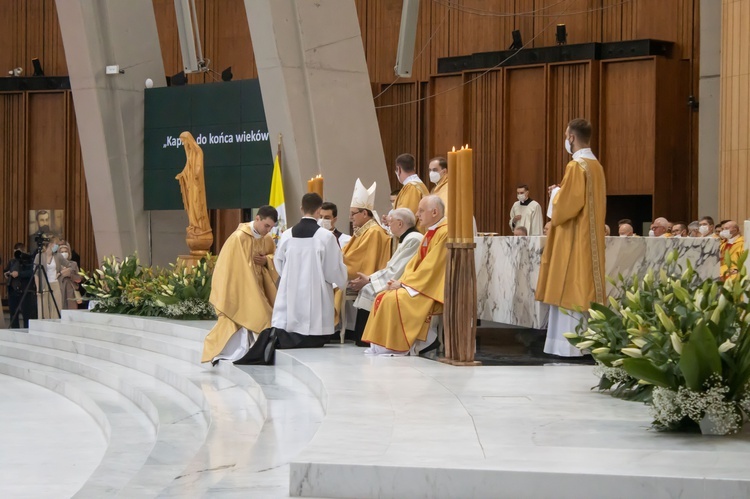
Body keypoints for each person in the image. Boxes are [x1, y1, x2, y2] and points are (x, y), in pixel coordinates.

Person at [537, 118, 606, 357]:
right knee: (582, 285)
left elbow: (567, 207)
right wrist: (562, 191)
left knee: (569, 286)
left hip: (573, 237)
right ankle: (585, 345)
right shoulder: (595, 165)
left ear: (572, 138)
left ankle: (567, 347)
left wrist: (556, 193)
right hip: (589, 237)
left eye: (566, 136)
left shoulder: (576, 166)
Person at [361, 195, 447, 356]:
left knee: (393, 299)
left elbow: (432, 267)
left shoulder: (444, 232)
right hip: (421, 284)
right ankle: (382, 344)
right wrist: (401, 281)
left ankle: (401, 344)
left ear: (434, 212)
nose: (417, 214)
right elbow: (414, 264)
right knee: (384, 296)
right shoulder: (431, 233)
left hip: (431, 288)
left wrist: (403, 285)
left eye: (421, 210)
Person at [202, 206, 279, 364]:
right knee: (261, 317)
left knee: (268, 316)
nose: (268, 230)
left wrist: (267, 260)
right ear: (257, 219)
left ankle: (254, 351)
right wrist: (250, 290)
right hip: (241, 289)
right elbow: (229, 268)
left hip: (260, 288)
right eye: (266, 226)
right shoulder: (238, 238)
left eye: (271, 227)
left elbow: (275, 257)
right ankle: (242, 352)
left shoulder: (267, 239)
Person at [272, 193, 347, 348]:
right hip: (316, 293)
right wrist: (342, 281)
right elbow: (333, 269)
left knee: (291, 322)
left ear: (301, 208)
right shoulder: (325, 237)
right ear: (319, 210)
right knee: (314, 328)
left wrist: (290, 276)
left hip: (290, 290)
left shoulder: (287, 235)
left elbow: (278, 263)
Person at [349, 208, 422, 341]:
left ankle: (369, 338)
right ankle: (365, 336)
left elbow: (397, 270)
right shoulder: (406, 239)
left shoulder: (414, 240)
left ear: (400, 223)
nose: (388, 225)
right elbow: (392, 267)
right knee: (367, 289)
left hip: (406, 283)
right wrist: (370, 279)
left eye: (390, 222)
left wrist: (370, 280)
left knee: (369, 290)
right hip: (398, 279)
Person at [341, 179, 391, 342]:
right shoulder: (363, 230)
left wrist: (338, 262)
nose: (350, 217)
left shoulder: (373, 231)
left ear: (364, 213)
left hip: (372, 278)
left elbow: (362, 261)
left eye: (353, 213)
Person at [34, 236, 76, 319]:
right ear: (51, 244)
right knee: (43, 307)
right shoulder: (39, 256)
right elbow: (36, 273)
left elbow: (70, 265)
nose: (57, 246)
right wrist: (38, 288)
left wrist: (61, 272)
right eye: (56, 244)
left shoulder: (58, 256)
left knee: (56, 306)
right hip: (44, 284)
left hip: (55, 284)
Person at [393, 153, 429, 232]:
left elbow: (405, 218)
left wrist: (391, 220)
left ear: (398, 169)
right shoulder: (416, 185)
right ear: (414, 168)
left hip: (414, 236)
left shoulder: (412, 187)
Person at [4, 243, 37, 328]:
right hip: (13, 290)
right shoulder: (12, 261)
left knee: (27, 314)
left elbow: (31, 273)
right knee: (13, 314)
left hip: (25, 290)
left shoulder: (29, 260)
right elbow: (6, 270)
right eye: (15, 251)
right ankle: (14, 332)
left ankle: (27, 332)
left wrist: (19, 274)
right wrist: (7, 274)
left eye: (19, 252)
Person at [56, 241, 82, 309]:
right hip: (59, 290)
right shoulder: (56, 265)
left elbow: (79, 279)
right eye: (62, 252)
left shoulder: (73, 264)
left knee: (71, 311)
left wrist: (70, 274)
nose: (64, 253)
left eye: (65, 251)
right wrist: (61, 273)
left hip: (71, 292)